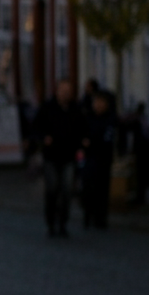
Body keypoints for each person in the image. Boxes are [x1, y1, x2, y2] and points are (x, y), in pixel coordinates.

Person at [34, 80, 87, 238]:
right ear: (56, 91)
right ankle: (50, 222)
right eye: (62, 90)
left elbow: (83, 128)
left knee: (67, 191)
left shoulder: (76, 110)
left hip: (69, 156)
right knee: (52, 189)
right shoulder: (47, 108)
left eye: (68, 90)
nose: (65, 93)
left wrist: (83, 141)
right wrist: (44, 138)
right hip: (51, 156)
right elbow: (36, 127)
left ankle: (63, 223)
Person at [81, 91, 118, 229]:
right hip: (89, 157)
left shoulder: (111, 119)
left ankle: (100, 218)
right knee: (88, 187)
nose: (98, 105)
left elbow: (111, 137)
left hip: (104, 157)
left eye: (101, 102)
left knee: (102, 188)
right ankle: (88, 214)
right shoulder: (87, 118)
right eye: (96, 102)